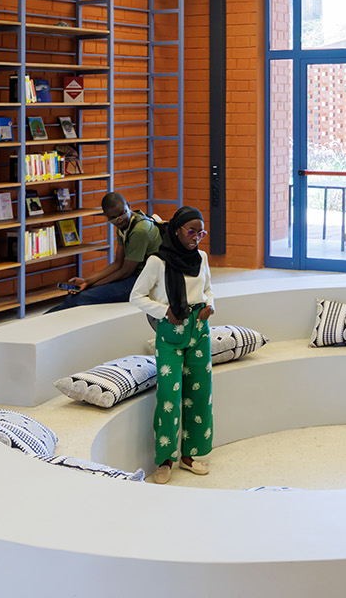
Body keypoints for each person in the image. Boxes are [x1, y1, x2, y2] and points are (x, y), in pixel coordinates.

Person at [130, 206, 213, 484]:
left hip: (199, 329)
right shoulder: (158, 261)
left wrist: (210, 305)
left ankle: (190, 455)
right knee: (169, 398)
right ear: (177, 230)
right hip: (171, 331)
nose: (196, 238)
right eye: (191, 232)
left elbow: (208, 289)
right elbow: (136, 296)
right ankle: (165, 460)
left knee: (199, 394)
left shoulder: (201, 257)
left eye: (201, 233)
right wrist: (165, 311)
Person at [46, 192, 161, 313]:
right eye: (113, 218)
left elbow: (126, 271)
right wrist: (86, 281)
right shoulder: (124, 224)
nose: (119, 220)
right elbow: (117, 263)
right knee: (74, 298)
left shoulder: (139, 230)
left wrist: (90, 285)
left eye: (122, 213)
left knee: (79, 299)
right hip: (134, 275)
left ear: (128, 205)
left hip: (145, 280)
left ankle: (44, 322)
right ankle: (43, 322)